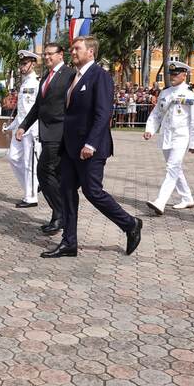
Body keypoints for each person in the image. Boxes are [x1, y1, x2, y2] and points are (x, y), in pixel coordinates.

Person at [41, 36, 143, 258]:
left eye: (77, 49)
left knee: (93, 191)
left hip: (89, 148)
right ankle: (69, 242)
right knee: (66, 191)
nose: (73, 52)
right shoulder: (74, 78)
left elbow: (103, 113)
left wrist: (91, 143)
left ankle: (130, 223)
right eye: (72, 49)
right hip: (69, 148)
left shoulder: (100, 76)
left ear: (91, 52)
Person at [16, 42, 76, 234]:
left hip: (60, 132)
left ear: (61, 55)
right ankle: (58, 216)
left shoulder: (69, 75)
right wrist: (24, 125)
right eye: (46, 54)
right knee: (54, 176)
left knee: (43, 171)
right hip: (46, 132)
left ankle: (61, 213)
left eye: (51, 54)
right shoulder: (46, 78)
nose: (48, 57)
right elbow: (38, 107)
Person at [143, 61, 194, 214]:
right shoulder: (165, 92)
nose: (172, 77)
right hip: (166, 135)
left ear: (184, 75)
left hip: (182, 136)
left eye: (176, 74)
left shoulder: (192, 93)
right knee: (176, 168)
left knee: (172, 168)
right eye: (171, 74)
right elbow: (157, 113)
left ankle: (160, 201)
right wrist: (150, 128)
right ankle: (187, 198)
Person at [4, 50, 40, 208]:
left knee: (28, 163)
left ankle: (31, 197)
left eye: (25, 63)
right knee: (12, 157)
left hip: (31, 130)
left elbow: (36, 110)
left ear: (33, 64)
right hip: (20, 129)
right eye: (21, 63)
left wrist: (29, 128)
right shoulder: (24, 83)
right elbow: (21, 112)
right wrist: (10, 127)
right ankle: (32, 186)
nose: (22, 66)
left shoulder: (37, 83)